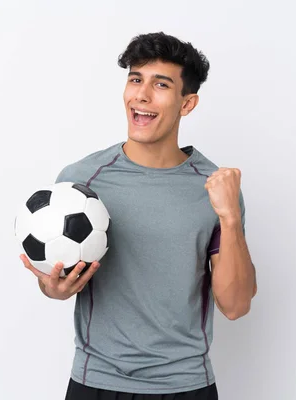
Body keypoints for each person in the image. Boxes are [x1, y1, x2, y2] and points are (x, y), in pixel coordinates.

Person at [20, 31, 257, 400]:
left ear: (187, 103)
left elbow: (236, 305)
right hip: (96, 381)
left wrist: (230, 220)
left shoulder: (215, 189)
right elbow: (58, 278)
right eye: (135, 79)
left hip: (185, 384)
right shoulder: (81, 181)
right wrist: (51, 287)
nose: (141, 95)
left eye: (160, 84)